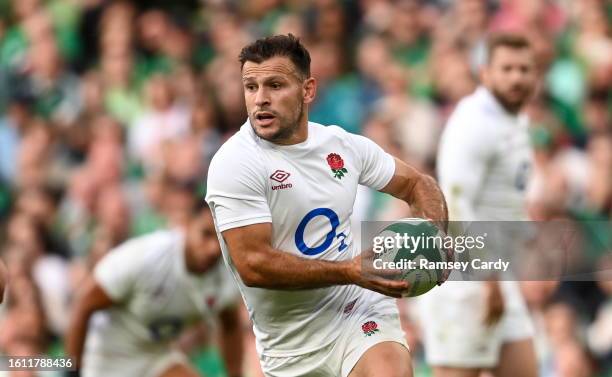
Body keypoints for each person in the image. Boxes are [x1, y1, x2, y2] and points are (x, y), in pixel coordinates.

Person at [205, 34, 448, 377]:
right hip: (290, 345)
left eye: (275, 85)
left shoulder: (341, 145)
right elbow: (253, 265)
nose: (261, 99)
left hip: (357, 310)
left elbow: (417, 183)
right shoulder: (234, 163)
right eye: (251, 87)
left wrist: (436, 234)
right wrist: (348, 270)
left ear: (308, 90)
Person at [418, 33, 539, 377]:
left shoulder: (513, 119)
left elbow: (504, 197)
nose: (516, 77)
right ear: (485, 73)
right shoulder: (473, 122)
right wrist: (488, 278)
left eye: (524, 69)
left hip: (500, 274)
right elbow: (454, 206)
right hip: (465, 278)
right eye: (507, 69)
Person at [66, 205, 243, 377]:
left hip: (155, 356)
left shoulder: (227, 274)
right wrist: (72, 371)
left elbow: (230, 326)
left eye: (221, 240)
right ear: (187, 224)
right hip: (105, 357)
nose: (213, 249)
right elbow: (83, 305)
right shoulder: (147, 257)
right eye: (205, 234)